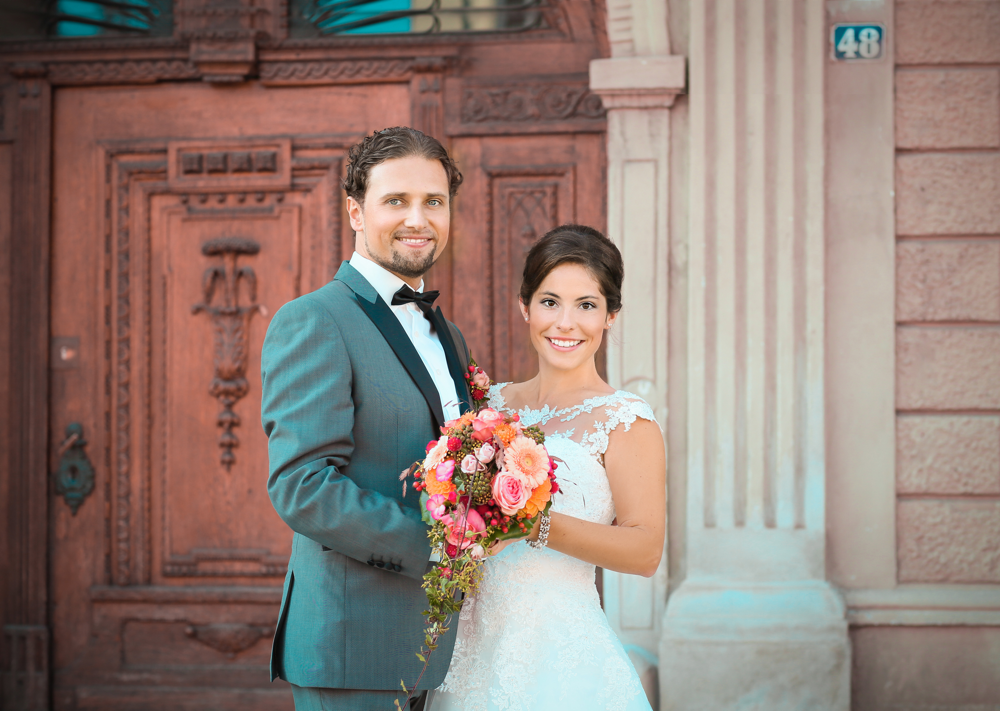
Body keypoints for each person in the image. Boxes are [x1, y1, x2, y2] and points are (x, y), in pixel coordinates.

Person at [261, 127, 472, 710]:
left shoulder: (447, 333)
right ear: (355, 211)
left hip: (437, 650)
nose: (418, 219)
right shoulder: (314, 320)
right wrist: (439, 548)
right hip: (352, 646)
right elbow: (302, 488)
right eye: (396, 201)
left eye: (434, 201)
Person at [428, 224, 666, 711]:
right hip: (468, 661)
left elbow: (645, 551)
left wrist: (532, 524)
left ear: (610, 317)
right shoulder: (487, 407)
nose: (566, 323)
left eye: (587, 305)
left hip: (561, 666)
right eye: (550, 302)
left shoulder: (625, 421)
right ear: (525, 308)